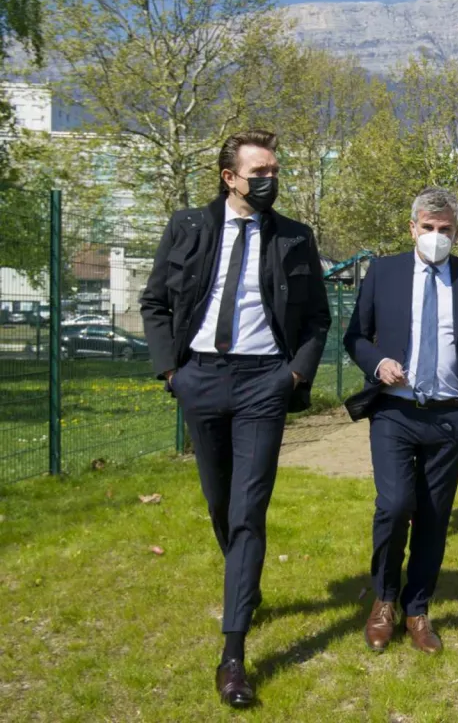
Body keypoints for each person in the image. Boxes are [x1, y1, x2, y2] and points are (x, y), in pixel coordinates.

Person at [139, 130, 331, 708]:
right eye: (259, 171)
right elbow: (153, 302)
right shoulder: (189, 228)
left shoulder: (296, 236)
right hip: (199, 377)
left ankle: (233, 653)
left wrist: (292, 376)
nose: (270, 179)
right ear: (230, 178)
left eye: (275, 169)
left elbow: (318, 320)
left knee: (249, 510)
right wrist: (172, 371)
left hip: (263, 385)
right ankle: (245, 581)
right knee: (220, 503)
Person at [343, 187, 458, 656]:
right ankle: (384, 600)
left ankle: (417, 609)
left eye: (445, 230)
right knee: (394, 506)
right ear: (412, 228)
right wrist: (377, 364)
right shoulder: (384, 272)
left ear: (457, 232)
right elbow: (355, 336)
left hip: (452, 417)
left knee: (434, 516)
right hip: (395, 409)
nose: (436, 237)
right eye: (428, 228)